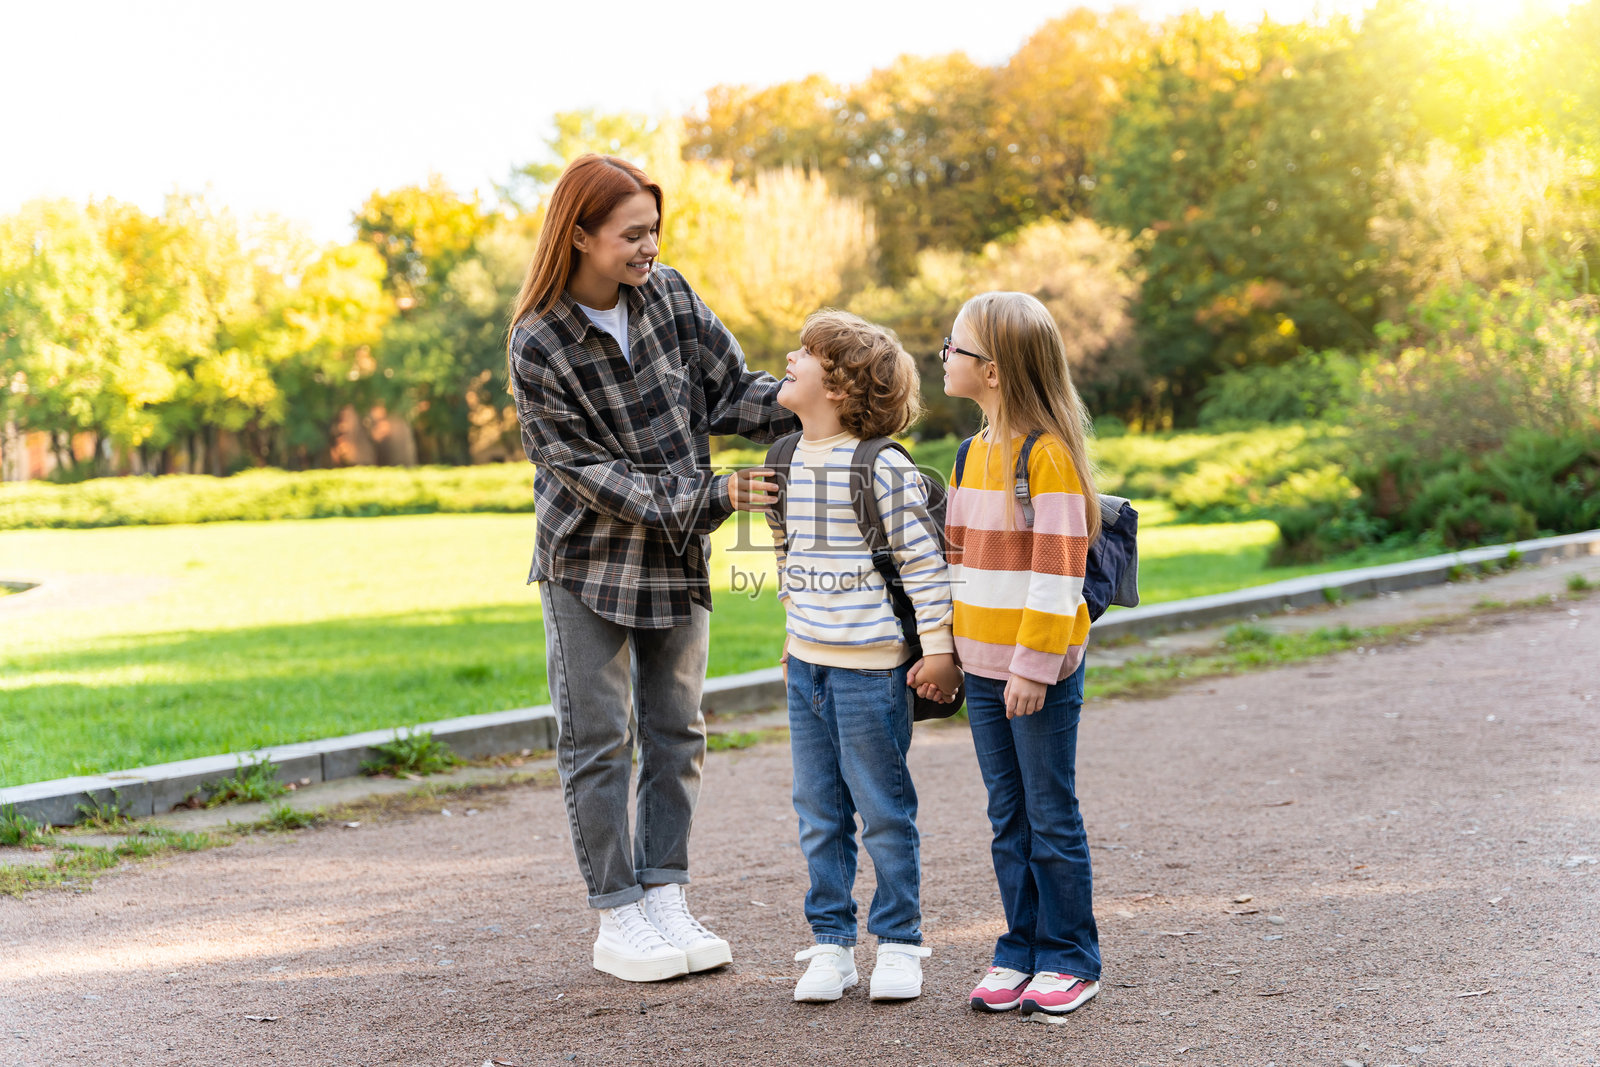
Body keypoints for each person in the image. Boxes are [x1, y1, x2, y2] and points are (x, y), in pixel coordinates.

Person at [506, 154, 795, 983]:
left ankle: (665, 890)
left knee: (678, 731)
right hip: (588, 561)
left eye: (654, 231)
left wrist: (819, 396)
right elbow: (587, 473)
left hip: (675, 549)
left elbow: (733, 392)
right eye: (632, 234)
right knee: (599, 738)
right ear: (580, 235)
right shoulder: (538, 341)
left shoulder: (668, 296)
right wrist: (715, 494)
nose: (648, 248)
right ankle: (618, 911)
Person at [766, 310, 962, 1004]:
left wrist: (937, 653)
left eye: (807, 352)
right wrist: (794, 637)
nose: (789, 357)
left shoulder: (881, 467)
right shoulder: (782, 458)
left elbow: (924, 568)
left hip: (872, 670)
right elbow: (791, 556)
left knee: (882, 811)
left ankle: (901, 941)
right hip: (808, 668)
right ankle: (831, 943)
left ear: (843, 386)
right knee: (819, 812)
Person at [932, 291, 1105, 1022]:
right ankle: (1020, 947)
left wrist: (1033, 666)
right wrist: (945, 648)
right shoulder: (972, 453)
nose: (943, 355)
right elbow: (956, 563)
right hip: (980, 670)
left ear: (994, 370)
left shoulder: (1047, 458)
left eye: (955, 346)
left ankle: (1069, 957)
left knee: (1049, 811)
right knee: (1008, 814)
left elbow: (1058, 571)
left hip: (1036, 674)